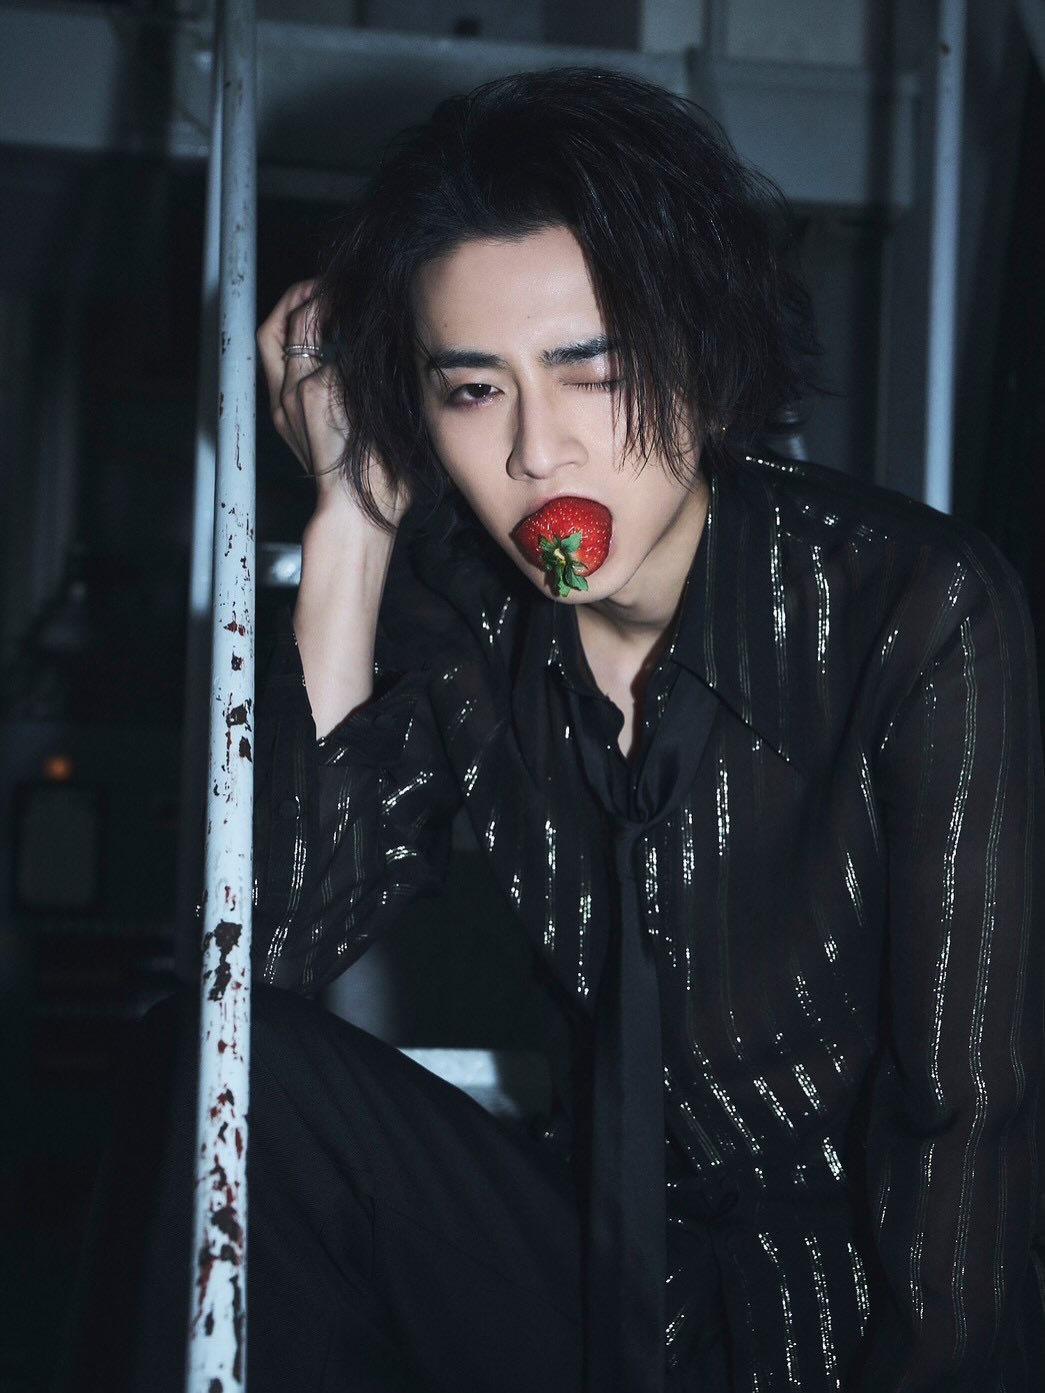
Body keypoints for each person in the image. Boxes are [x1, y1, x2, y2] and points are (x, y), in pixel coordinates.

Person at [129, 68, 1043, 1392]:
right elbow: (267, 949)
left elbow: (969, 1119)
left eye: (590, 370)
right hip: (601, 1277)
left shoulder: (910, 608)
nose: (535, 453)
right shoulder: (474, 620)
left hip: (842, 1315)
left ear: (702, 355)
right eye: (472, 390)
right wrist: (352, 522)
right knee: (227, 1067)